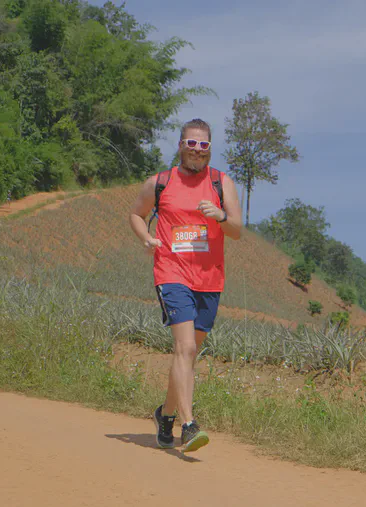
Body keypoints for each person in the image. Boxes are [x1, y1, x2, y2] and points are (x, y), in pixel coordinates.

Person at [129, 118, 242, 452]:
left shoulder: (223, 183)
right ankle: (189, 425)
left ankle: (165, 414)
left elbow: (236, 229)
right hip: (171, 272)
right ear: (180, 145)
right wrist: (146, 236)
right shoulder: (160, 183)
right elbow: (136, 214)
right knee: (185, 348)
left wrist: (219, 216)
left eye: (203, 145)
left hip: (209, 279)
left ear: (210, 149)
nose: (197, 150)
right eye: (191, 143)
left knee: (188, 356)